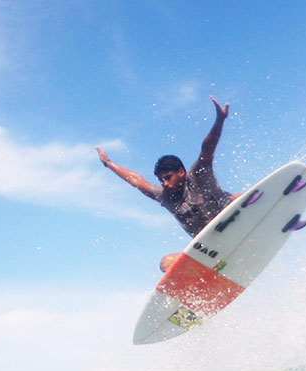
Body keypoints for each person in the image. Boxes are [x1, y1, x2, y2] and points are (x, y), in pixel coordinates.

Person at [96, 95, 240, 272]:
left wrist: (220, 120)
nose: (164, 183)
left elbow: (207, 148)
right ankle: (200, 283)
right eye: (161, 179)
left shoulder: (198, 176)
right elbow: (135, 180)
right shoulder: (164, 196)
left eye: (168, 177)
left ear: (181, 172)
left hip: (233, 224)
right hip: (208, 248)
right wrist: (108, 163)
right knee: (166, 263)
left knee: (238, 198)